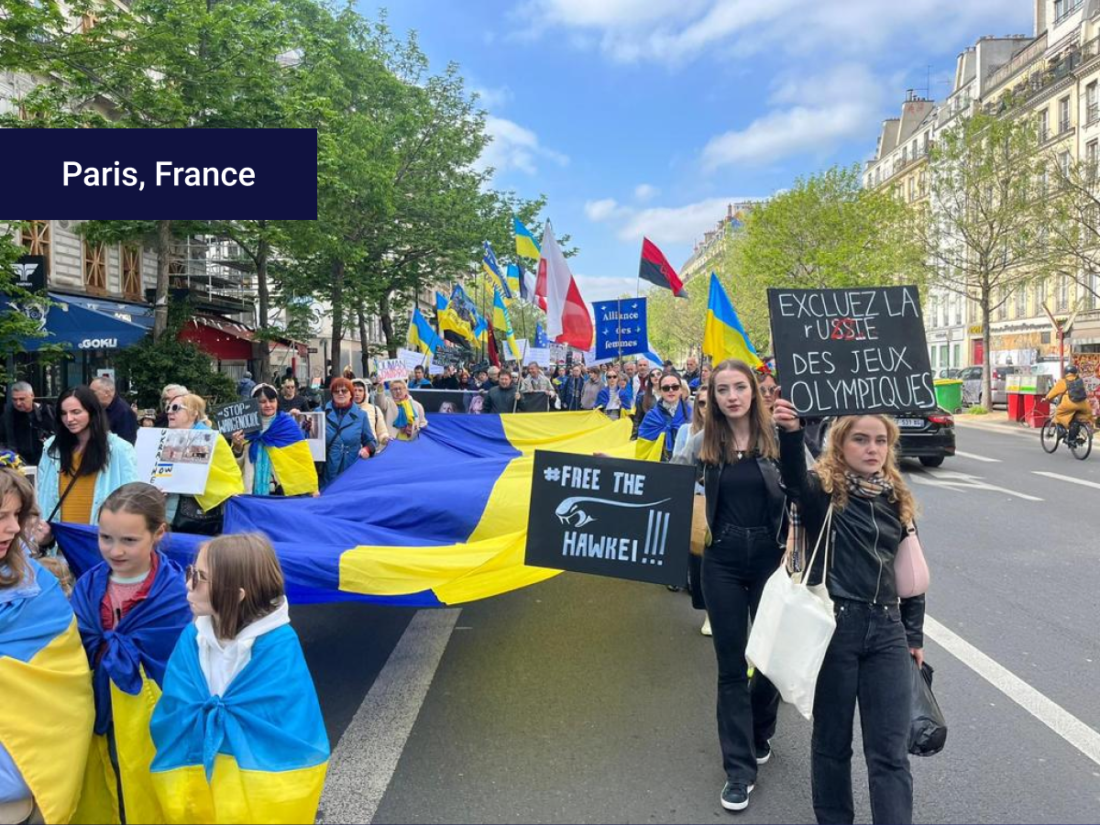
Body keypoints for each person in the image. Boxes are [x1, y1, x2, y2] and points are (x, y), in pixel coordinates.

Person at [773, 396, 925, 825]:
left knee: (890, 753)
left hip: (888, 631)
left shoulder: (897, 497)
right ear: (840, 443)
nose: (872, 448)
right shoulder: (823, 492)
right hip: (835, 628)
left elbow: (910, 571)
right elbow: (792, 480)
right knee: (832, 744)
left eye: (880, 440)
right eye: (860, 439)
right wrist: (790, 433)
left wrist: (913, 634)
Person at [149, 534, 329, 824]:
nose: (188, 584)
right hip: (201, 783)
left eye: (199, 577)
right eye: (190, 572)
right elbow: (174, 708)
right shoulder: (192, 637)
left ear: (235, 594)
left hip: (253, 795)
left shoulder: (279, 645)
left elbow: (290, 728)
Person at [673, 362, 786, 811]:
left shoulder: (778, 438)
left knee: (773, 661)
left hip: (771, 561)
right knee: (731, 667)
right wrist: (611, 471)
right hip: (720, 560)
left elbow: (813, 488)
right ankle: (739, 770)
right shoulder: (704, 442)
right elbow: (666, 482)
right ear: (714, 398)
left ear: (754, 392)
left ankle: (759, 728)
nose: (732, 396)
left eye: (740, 387)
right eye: (723, 389)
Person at [71, 482, 193, 824]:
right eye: (105, 538)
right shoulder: (87, 586)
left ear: (158, 533)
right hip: (98, 711)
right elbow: (69, 649)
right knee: (106, 783)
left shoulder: (176, 594)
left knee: (150, 790)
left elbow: (184, 664)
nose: (115, 550)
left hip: (154, 720)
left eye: (129, 540)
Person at [0, 464, 94, 825]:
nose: (13, 527)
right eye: (2, 516)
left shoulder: (38, 588)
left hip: (22, 784)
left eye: (16, 515)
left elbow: (66, 692)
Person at [34, 386, 138, 550]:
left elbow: (131, 497)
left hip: (99, 546)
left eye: (76, 412)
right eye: (63, 413)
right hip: (59, 545)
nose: (69, 419)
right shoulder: (51, 448)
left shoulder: (119, 450)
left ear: (92, 411)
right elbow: (42, 495)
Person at [164, 394, 244, 535]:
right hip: (168, 515)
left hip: (201, 519)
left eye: (175, 408)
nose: (169, 411)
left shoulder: (213, 439)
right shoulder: (164, 438)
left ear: (194, 413)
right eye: (168, 407)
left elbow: (230, 476)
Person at [231, 385, 319, 497]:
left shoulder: (287, 424)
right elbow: (234, 465)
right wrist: (237, 447)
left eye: (272, 401)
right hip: (251, 491)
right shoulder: (245, 427)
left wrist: (312, 488)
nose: (268, 405)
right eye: (262, 402)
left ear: (277, 402)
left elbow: (301, 458)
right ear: (254, 403)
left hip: (280, 490)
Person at [323, 377, 377, 486]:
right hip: (326, 471)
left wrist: (366, 449)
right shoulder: (320, 413)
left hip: (351, 469)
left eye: (344, 391)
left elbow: (371, 441)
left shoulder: (361, 415)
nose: (340, 393)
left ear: (350, 394)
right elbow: (308, 438)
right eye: (336, 391)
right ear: (332, 394)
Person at [636, 371, 689, 462]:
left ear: (681, 390)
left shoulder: (691, 413)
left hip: (685, 464)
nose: (671, 390)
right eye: (666, 388)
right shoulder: (651, 416)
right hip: (657, 465)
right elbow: (643, 446)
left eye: (675, 387)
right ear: (660, 391)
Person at [0, 380, 55, 465]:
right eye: (14, 399)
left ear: (32, 396)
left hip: (45, 463)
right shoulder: (7, 416)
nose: (18, 403)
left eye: (22, 399)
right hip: (17, 464)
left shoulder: (48, 412)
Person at [1045, 364, 1095, 434]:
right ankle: (1084, 426)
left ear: (1065, 373)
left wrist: (1046, 398)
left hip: (1069, 404)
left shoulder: (1063, 381)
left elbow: (1054, 392)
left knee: (1058, 414)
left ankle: (1063, 431)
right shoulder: (1080, 381)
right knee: (1084, 416)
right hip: (1083, 404)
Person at [90, 376, 139, 445]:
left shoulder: (124, 412)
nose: (90, 395)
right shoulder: (98, 408)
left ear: (107, 393)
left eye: (93, 392)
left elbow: (127, 443)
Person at [352, 378, 391, 454]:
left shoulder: (375, 409)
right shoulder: (343, 410)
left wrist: (385, 439)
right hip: (351, 454)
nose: (357, 393)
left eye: (360, 390)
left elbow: (382, 431)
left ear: (365, 392)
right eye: (354, 390)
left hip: (370, 452)